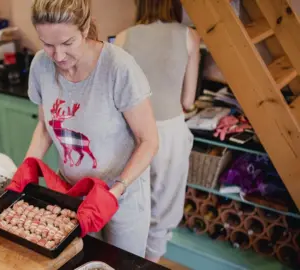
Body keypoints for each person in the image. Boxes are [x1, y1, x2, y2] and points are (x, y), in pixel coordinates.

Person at [24, 0, 159, 257]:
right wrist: (29, 164)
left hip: (121, 194)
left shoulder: (118, 67)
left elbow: (149, 140)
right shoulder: (41, 65)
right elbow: (44, 125)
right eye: (48, 44)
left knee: (120, 263)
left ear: (85, 29)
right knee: (82, 260)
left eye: (67, 43)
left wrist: (115, 191)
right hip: (71, 193)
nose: (58, 56)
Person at [115, 0, 200, 262]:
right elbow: (187, 101)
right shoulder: (189, 36)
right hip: (169, 134)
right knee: (163, 212)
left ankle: (125, 262)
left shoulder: (122, 38)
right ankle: (149, 263)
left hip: (130, 134)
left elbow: (116, 96)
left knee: (129, 206)